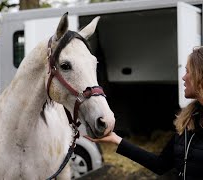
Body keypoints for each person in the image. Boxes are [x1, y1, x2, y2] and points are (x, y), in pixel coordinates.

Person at [85, 46, 203, 180]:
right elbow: (160, 164)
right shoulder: (189, 120)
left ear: (200, 76)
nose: (183, 77)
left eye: (188, 71)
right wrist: (116, 139)